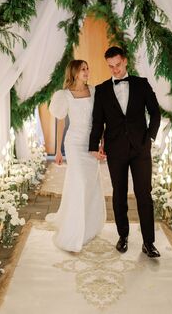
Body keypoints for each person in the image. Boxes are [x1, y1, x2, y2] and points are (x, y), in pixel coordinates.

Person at [89, 46, 161, 258]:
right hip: (115, 149)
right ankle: (123, 236)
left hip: (140, 148)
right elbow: (97, 122)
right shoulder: (102, 90)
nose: (115, 70)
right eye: (110, 67)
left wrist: (150, 138)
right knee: (119, 194)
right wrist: (94, 146)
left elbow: (155, 113)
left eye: (118, 65)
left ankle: (149, 243)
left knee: (143, 194)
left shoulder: (141, 84)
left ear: (125, 61)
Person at [46, 59, 106, 252]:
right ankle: (73, 231)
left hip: (92, 143)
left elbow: (100, 120)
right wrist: (57, 150)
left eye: (88, 68)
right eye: (83, 69)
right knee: (79, 182)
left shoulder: (95, 91)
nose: (87, 72)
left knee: (90, 183)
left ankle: (90, 224)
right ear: (74, 72)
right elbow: (60, 122)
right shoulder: (64, 95)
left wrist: (102, 142)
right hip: (74, 144)